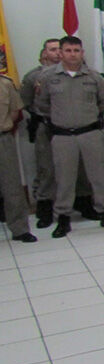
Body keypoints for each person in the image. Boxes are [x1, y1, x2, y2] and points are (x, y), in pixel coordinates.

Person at [34, 36, 104, 236]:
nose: (72, 54)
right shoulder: (48, 77)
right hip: (63, 136)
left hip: (90, 133)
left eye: (76, 50)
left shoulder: (93, 77)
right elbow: (42, 105)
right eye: (68, 50)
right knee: (64, 178)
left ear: (82, 53)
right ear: (61, 53)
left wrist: (88, 115)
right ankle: (63, 218)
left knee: (99, 175)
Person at [20, 38, 61, 227]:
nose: (57, 52)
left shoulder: (71, 73)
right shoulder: (32, 77)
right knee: (46, 167)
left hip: (69, 126)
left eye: (60, 48)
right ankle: (44, 207)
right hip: (46, 126)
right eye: (52, 49)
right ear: (44, 53)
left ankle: (82, 202)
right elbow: (26, 101)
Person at [0, 72, 35, 242]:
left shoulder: (5, 84)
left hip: (3, 139)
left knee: (11, 184)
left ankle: (20, 228)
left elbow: (15, 112)